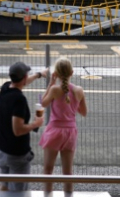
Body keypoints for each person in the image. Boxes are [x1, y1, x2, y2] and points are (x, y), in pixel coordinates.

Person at [39, 58, 88, 196]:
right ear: (72, 72)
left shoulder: (54, 89)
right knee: (68, 172)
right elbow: (83, 112)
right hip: (70, 132)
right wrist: (71, 106)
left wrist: (50, 84)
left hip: (54, 131)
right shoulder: (79, 90)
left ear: (56, 74)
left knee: (48, 170)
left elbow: (43, 103)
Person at [0, 61, 46, 192]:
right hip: (17, 154)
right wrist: (36, 124)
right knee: (19, 192)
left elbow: (23, 82)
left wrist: (39, 75)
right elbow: (18, 130)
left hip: (2, 150)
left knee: (4, 186)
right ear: (23, 78)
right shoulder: (19, 99)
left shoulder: (5, 88)